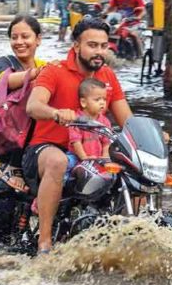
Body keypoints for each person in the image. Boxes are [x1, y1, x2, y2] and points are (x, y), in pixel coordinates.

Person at [24, 17, 133, 253]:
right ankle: (44, 242)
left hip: (93, 150)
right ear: (76, 46)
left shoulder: (108, 76)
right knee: (58, 161)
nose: (99, 52)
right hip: (47, 149)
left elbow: (127, 120)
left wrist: (154, 134)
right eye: (92, 45)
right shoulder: (54, 71)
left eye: (104, 46)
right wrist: (55, 113)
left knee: (134, 163)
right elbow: (33, 107)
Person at [0, 15, 47, 193]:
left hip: (35, 151)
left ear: (38, 39)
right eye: (14, 37)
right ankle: (10, 167)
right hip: (4, 156)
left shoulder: (45, 66)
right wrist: (36, 74)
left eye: (25, 36)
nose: (19, 42)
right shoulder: (3, 63)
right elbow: (6, 80)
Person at [68, 78, 112, 161]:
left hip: (97, 158)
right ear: (83, 102)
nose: (102, 102)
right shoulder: (77, 121)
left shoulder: (105, 121)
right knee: (68, 163)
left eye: (104, 99)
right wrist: (84, 158)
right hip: (77, 157)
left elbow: (106, 142)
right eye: (97, 99)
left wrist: (105, 157)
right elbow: (76, 142)